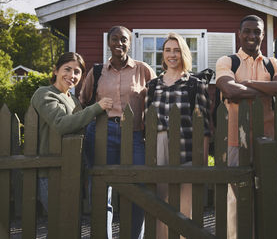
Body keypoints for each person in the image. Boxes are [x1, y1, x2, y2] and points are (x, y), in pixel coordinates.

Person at [215, 14, 277, 239]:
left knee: (268, 195)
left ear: (263, 35)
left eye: (256, 31)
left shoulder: (274, 63)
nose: (252, 35)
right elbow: (229, 90)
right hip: (234, 139)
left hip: (269, 141)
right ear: (239, 34)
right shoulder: (228, 61)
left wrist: (248, 84)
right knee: (236, 197)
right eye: (247, 31)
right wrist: (270, 88)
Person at [80, 26, 156, 239]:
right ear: (108, 43)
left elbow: (157, 98)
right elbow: (83, 102)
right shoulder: (97, 72)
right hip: (102, 134)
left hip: (134, 135)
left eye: (124, 40)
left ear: (130, 43)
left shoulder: (143, 70)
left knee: (138, 187)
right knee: (102, 189)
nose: (119, 44)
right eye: (115, 39)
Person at [145, 32, 210, 239]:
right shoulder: (153, 86)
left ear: (184, 53)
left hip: (186, 149)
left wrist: (202, 162)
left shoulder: (195, 85)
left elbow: (205, 128)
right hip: (157, 149)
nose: (172, 55)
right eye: (167, 50)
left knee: (183, 211)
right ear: (162, 54)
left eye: (176, 50)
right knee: (159, 207)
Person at [31, 52, 113, 213]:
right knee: (58, 224)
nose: (71, 75)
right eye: (67, 69)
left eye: (77, 72)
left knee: (70, 224)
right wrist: (96, 108)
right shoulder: (44, 94)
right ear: (55, 70)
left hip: (72, 169)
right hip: (50, 171)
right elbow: (61, 124)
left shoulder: (74, 100)